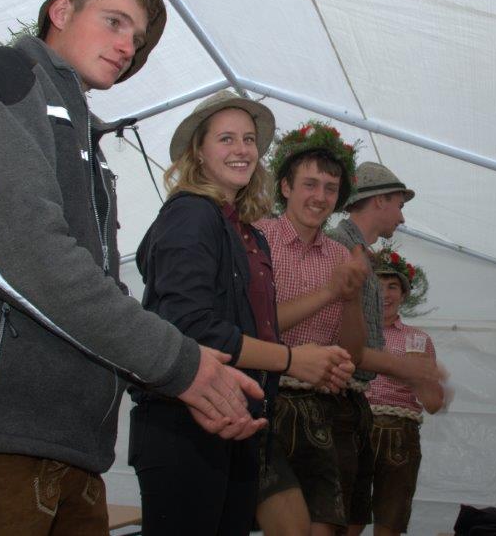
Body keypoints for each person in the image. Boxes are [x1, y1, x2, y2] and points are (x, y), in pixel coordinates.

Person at [0, 0, 264, 533]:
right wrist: (180, 365)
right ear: (60, 12)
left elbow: (97, 291)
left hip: (72, 452)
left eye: (138, 39)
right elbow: (28, 255)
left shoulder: (85, 138)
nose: (128, 47)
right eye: (115, 22)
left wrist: (183, 382)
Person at [129, 90, 357, 534]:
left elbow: (250, 328)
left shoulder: (249, 233)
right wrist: (292, 360)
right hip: (186, 423)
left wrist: (314, 362)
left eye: (249, 139)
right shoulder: (190, 214)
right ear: (199, 151)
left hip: (239, 420)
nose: (242, 149)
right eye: (226, 139)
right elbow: (189, 327)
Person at [254, 120, 370, 536]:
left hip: (320, 409)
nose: (320, 197)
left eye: (330, 188)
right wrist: (329, 292)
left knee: (323, 530)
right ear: (285, 187)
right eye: (310, 184)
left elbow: (354, 354)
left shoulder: (340, 255)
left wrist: (351, 296)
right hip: (263, 398)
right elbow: (254, 326)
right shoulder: (257, 238)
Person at [326, 161, 446, 535]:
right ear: (379, 201)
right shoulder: (341, 249)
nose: (402, 217)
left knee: (353, 517)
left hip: (353, 405)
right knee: (334, 520)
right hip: (333, 400)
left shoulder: (357, 251)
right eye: (399, 205)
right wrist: (406, 368)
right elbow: (341, 344)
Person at [364, 246, 443, 536]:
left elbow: (433, 403)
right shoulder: (353, 331)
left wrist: (419, 377)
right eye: (378, 285)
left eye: (392, 286)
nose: (385, 294)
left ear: (404, 294)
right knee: (344, 518)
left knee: (390, 520)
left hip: (400, 433)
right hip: (354, 425)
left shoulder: (418, 340)